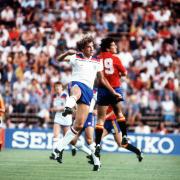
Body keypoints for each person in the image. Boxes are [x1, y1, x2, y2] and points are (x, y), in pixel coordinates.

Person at [54, 36, 118, 171]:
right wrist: (67, 53)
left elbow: (102, 79)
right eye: (88, 46)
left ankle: (60, 149)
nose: (91, 49)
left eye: (92, 46)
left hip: (88, 90)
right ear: (83, 48)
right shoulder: (76, 57)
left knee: (79, 125)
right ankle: (68, 107)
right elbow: (58, 60)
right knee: (75, 93)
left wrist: (113, 92)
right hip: (76, 83)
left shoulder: (97, 61)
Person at [95, 37, 129, 159]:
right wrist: (118, 74)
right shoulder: (115, 59)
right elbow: (124, 73)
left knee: (100, 119)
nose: (116, 47)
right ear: (108, 48)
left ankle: (98, 144)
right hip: (115, 88)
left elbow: (97, 76)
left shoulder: (97, 59)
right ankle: (124, 135)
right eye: (114, 45)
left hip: (103, 90)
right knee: (119, 113)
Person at [49, 82, 75, 159]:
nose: (57, 88)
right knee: (55, 136)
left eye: (58, 86)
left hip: (66, 117)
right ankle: (54, 153)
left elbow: (68, 106)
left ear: (61, 88)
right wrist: (53, 109)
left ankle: (73, 147)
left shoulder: (65, 95)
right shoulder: (54, 96)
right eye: (56, 86)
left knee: (66, 137)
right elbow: (55, 106)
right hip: (58, 117)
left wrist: (58, 108)